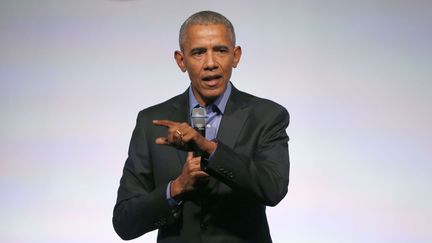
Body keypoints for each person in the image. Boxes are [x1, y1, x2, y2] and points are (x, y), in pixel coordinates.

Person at [113, 10, 290, 243]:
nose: (210, 63)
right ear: (181, 60)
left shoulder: (267, 116)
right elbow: (125, 222)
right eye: (198, 52)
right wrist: (176, 188)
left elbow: (273, 188)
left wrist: (208, 148)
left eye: (220, 50)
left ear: (235, 56)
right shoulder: (151, 122)